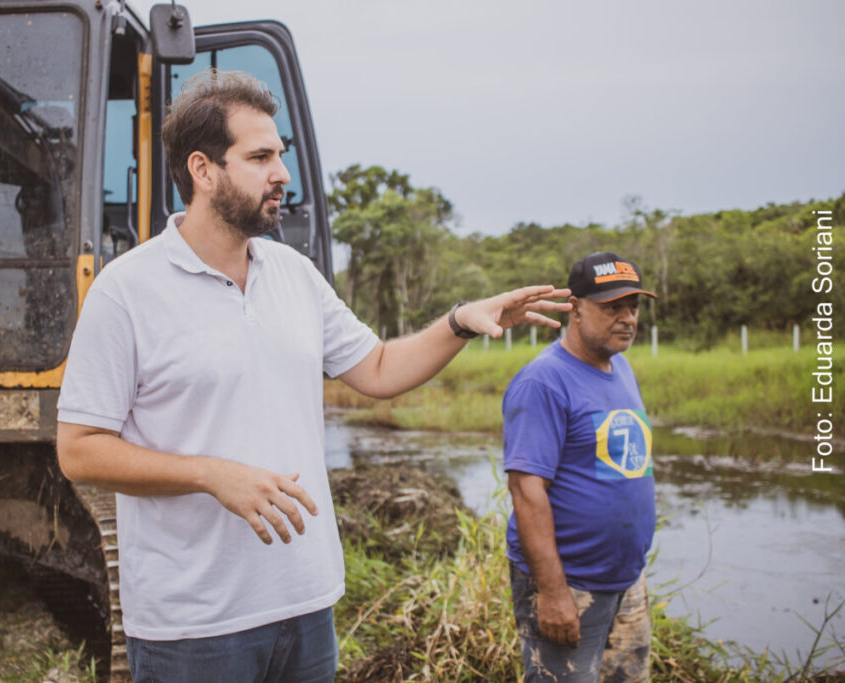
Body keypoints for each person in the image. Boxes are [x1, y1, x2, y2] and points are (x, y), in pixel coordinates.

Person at [56, 69, 570, 683]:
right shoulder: (126, 291)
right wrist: (210, 474)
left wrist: (460, 321)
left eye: (281, 155)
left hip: (305, 605)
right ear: (202, 169)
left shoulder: (294, 275)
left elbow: (378, 369)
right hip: (193, 626)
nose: (282, 174)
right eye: (261, 156)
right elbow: (80, 451)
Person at [503, 251, 657, 683]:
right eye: (612, 308)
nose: (627, 318)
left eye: (633, 307)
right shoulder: (543, 382)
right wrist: (552, 593)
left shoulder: (621, 368)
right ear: (575, 309)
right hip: (570, 587)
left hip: (626, 580)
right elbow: (526, 492)